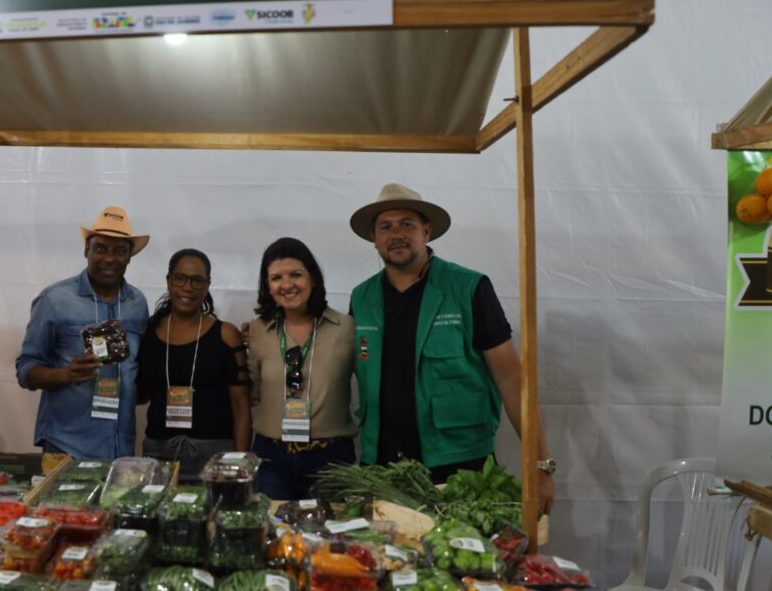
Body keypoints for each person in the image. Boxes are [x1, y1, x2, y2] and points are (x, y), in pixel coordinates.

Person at [347, 183, 555, 513]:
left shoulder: (468, 287)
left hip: (460, 466)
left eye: (407, 224)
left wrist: (540, 463)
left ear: (426, 231)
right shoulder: (361, 298)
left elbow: (512, 380)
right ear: (374, 238)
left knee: (464, 546)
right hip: (383, 469)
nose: (396, 234)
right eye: (385, 226)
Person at [16, 206, 151, 459]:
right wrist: (65, 374)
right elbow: (25, 369)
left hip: (120, 448)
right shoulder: (54, 300)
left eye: (119, 250)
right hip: (67, 446)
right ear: (86, 250)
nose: (109, 258)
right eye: (100, 248)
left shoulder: (138, 303)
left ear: (129, 257)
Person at [246, 237, 359, 501]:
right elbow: (254, 392)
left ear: (313, 279)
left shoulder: (347, 327)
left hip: (331, 460)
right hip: (271, 459)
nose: (287, 285)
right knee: (273, 526)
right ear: (267, 286)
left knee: (332, 528)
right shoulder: (258, 330)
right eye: (276, 278)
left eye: (296, 275)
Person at [137, 249, 252, 480]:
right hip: (159, 454)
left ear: (207, 285)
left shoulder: (226, 335)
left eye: (197, 280)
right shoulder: (148, 331)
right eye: (180, 278)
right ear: (169, 281)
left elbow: (242, 408)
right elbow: (141, 395)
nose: (188, 287)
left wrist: (238, 466)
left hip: (214, 456)